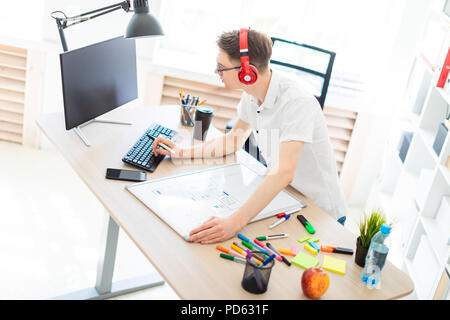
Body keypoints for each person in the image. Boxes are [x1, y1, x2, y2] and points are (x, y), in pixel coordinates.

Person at [152, 28, 347, 244]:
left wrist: (234, 222)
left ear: (247, 72)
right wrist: (181, 152)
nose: (217, 72)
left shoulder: (297, 102)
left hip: (319, 211)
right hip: (285, 197)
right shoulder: (251, 95)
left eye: (221, 67)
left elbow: (283, 173)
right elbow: (233, 140)